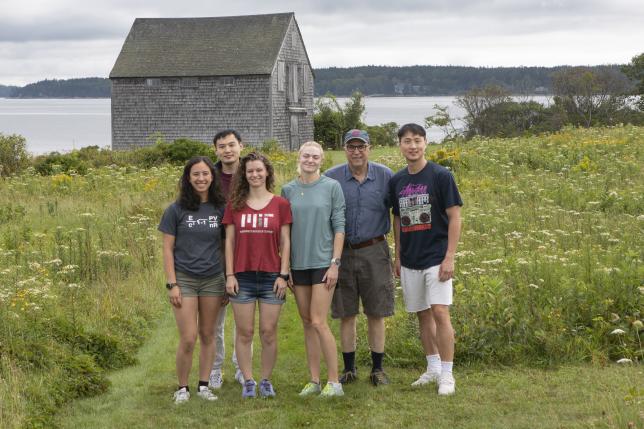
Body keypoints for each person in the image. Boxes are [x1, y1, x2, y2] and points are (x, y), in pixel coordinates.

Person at [389, 123, 463, 396]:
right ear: (400, 145)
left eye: (417, 141)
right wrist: (397, 255)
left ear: (425, 144)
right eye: (407, 141)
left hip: (436, 257)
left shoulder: (441, 176)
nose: (412, 146)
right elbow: (396, 218)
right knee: (422, 314)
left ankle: (447, 374)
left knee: (440, 312)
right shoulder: (397, 181)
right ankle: (431, 367)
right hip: (410, 259)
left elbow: (455, 216)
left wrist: (450, 257)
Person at [325, 129, 395, 387]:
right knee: (347, 313)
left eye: (361, 147)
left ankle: (377, 369)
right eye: (351, 147)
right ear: (344, 149)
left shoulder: (385, 176)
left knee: (376, 312)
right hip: (342, 253)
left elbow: (397, 213)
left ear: (369, 148)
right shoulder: (331, 178)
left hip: (375, 250)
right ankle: (349, 368)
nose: (356, 151)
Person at [223, 152, 292, 398]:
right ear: (244, 174)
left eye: (259, 170)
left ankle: (265, 380)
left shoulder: (280, 204)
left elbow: (285, 240)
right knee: (245, 332)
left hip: (271, 276)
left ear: (267, 173)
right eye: (250, 171)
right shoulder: (235, 204)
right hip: (242, 276)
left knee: (268, 331)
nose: (254, 174)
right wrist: (229, 275)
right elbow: (229, 242)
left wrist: (283, 275)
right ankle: (249, 381)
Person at [159, 156, 226, 404]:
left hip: (212, 280)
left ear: (212, 177)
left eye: (205, 174)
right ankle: (183, 388)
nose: (201, 178)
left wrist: (227, 278)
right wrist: (172, 284)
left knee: (208, 334)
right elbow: (167, 249)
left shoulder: (220, 208)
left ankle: (204, 385)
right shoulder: (176, 210)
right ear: (188, 178)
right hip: (185, 279)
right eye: (196, 174)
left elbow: (225, 245)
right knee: (188, 337)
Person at [281, 141, 346, 397]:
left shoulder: (331, 187)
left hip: (323, 264)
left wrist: (335, 264)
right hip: (298, 266)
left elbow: (339, 227)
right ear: (299, 157)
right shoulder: (287, 190)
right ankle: (314, 380)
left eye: (315, 156)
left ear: (321, 160)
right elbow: (284, 232)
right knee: (307, 322)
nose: (310, 160)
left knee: (319, 321)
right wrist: (285, 267)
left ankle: (335, 382)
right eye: (306, 155)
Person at [209, 129, 246, 389]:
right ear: (216, 150)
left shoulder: (252, 172)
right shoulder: (208, 177)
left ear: (240, 146)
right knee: (215, 319)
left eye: (231, 145)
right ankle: (214, 368)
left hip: (246, 250)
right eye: (222, 146)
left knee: (243, 318)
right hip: (213, 251)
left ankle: (242, 367)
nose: (227, 150)